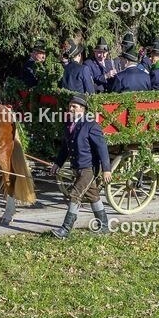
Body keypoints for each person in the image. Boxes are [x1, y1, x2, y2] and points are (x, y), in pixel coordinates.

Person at [49, 94, 112, 238]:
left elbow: (102, 148)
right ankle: (104, 226)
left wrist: (106, 169)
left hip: (89, 168)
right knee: (93, 195)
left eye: (74, 106)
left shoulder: (91, 125)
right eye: (70, 106)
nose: (70, 108)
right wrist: (57, 164)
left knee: (74, 195)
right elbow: (65, 148)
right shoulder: (69, 124)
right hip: (77, 167)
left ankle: (65, 230)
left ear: (82, 109)